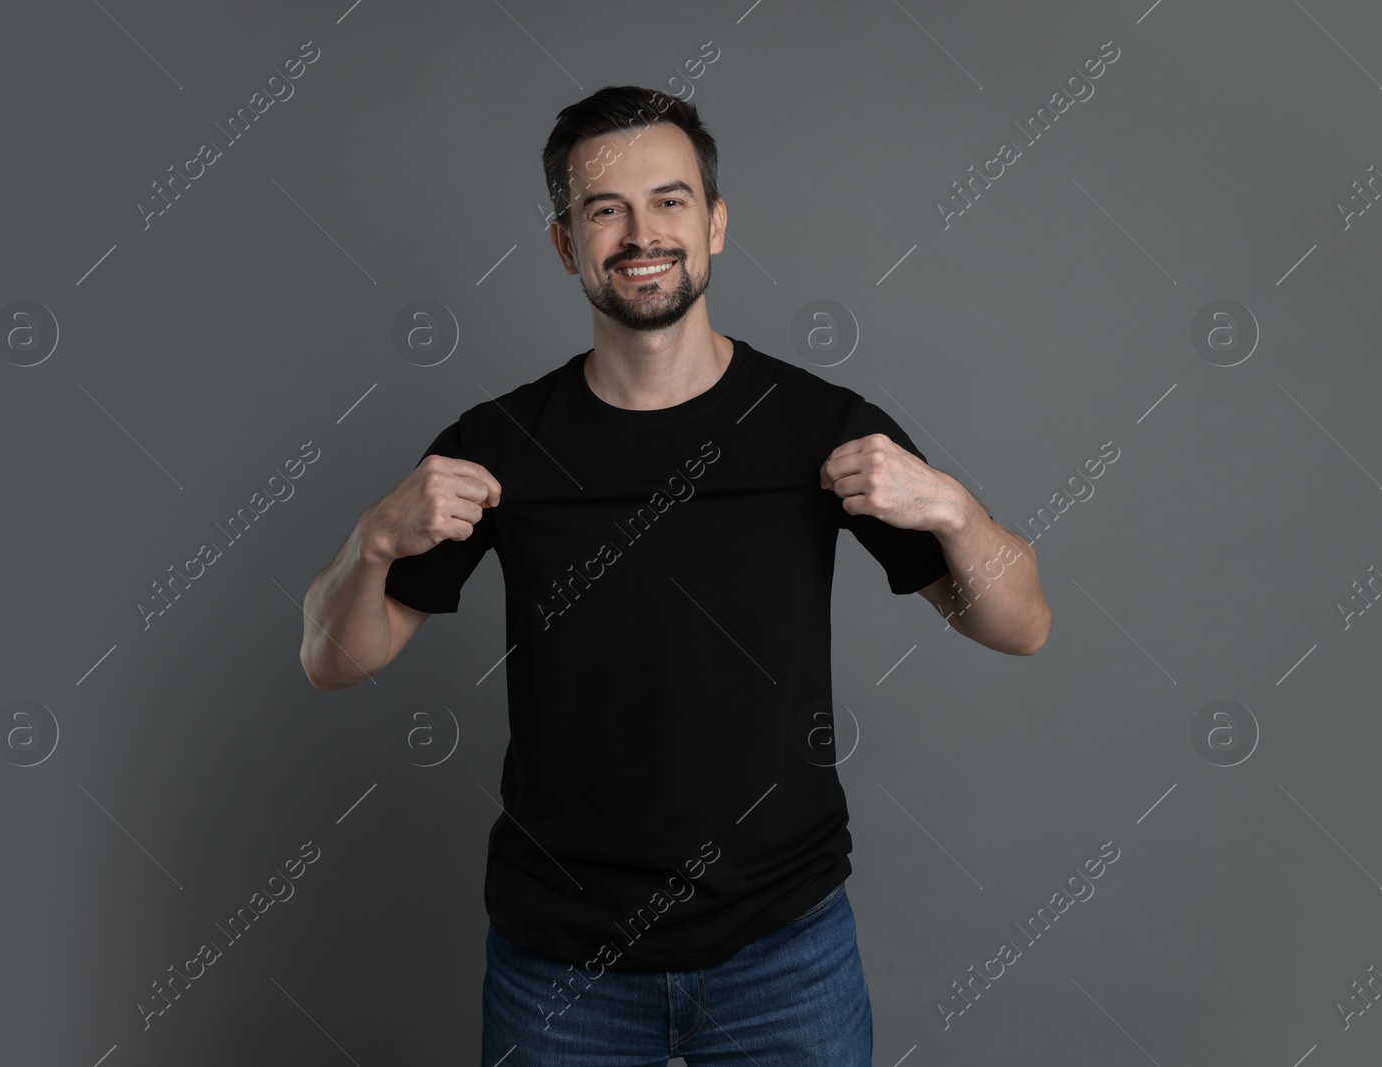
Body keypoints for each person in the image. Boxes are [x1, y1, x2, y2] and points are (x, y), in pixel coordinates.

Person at [299, 84, 1050, 1067]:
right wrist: (371, 541)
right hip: (560, 962)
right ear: (566, 242)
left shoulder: (818, 426)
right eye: (604, 208)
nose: (640, 232)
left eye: (669, 200)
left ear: (716, 223)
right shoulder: (498, 446)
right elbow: (331, 657)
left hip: (784, 953)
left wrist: (952, 508)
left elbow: (1017, 621)